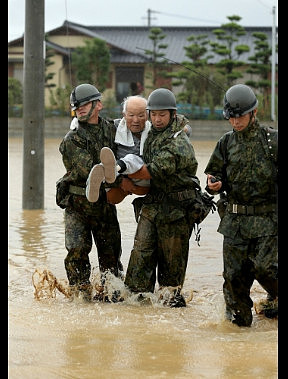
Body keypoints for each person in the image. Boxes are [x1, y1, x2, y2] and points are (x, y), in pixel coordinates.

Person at [204, 84, 278, 327]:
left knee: (267, 269)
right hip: (235, 222)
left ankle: (274, 298)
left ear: (253, 113)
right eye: (231, 118)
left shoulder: (272, 141)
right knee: (234, 279)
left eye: (240, 117)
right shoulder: (226, 143)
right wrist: (213, 183)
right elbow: (214, 173)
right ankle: (238, 329)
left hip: (267, 220)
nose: (235, 122)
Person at [122, 88, 201, 307]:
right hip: (152, 206)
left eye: (162, 115)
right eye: (153, 114)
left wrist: (119, 172)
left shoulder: (179, 141)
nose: (157, 119)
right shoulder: (150, 133)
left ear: (172, 114)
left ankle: (171, 323)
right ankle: (139, 317)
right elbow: (126, 129)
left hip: (175, 211)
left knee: (170, 281)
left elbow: (151, 170)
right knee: (139, 263)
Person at [56, 83, 124, 302]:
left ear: (98, 105)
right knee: (76, 252)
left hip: (104, 203)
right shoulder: (72, 139)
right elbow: (89, 170)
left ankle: (111, 296)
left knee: (111, 258)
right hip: (77, 204)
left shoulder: (113, 129)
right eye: (77, 106)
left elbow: (138, 132)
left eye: (85, 104)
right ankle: (80, 298)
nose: (80, 109)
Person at [85, 95, 192, 205]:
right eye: (131, 115)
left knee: (132, 159)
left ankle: (115, 168)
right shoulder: (114, 127)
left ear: (147, 115)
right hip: (118, 177)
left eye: (141, 116)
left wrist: (179, 127)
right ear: (124, 115)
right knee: (102, 171)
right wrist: (76, 124)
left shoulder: (155, 129)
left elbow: (186, 130)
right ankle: (95, 181)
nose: (135, 120)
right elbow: (95, 126)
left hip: (143, 175)